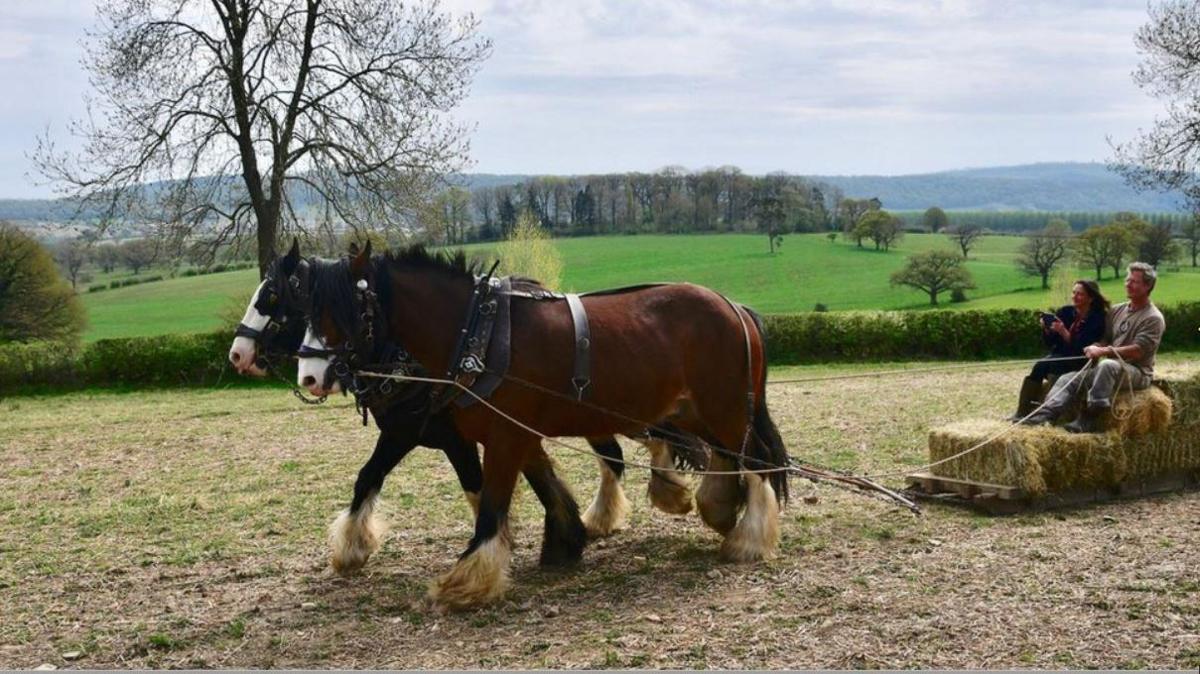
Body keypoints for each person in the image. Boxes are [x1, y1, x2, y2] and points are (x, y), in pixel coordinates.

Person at [1020, 262, 1166, 433]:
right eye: (1127, 280)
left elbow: (1138, 350)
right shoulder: (1117, 310)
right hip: (1111, 370)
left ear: (1148, 285)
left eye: (1134, 281)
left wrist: (1103, 351)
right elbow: (1106, 339)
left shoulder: (1153, 317)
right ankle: (1043, 416)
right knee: (1068, 379)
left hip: (1137, 372)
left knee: (1107, 364)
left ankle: (1089, 419)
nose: (1128, 284)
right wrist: (1095, 346)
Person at [1009, 280, 1109, 420]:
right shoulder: (1066, 311)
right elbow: (1051, 343)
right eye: (1074, 292)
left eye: (1080, 294)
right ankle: (1022, 411)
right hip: (1060, 355)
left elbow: (1082, 349)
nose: (1074, 296)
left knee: (1055, 367)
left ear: (1090, 298)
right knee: (1039, 366)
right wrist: (1047, 330)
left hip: (1080, 360)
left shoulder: (1097, 319)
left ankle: (1049, 414)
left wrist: (1063, 331)